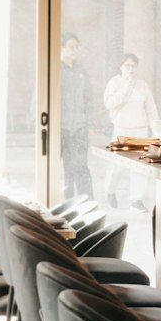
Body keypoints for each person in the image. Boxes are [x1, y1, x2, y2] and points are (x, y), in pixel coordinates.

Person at [103, 52, 160, 209]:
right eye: (127, 65)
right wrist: (126, 88)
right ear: (121, 67)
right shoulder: (114, 83)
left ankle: (136, 199)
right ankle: (110, 191)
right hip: (121, 129)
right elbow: (109, 103)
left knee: (140, 165)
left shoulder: (142, 85)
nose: (130, 69)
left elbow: (151, 110)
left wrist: (155, 131)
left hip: (140, 130)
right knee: (117, 166)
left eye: (134, 66)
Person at [58, 33, 96, 200]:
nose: (75, 51)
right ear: (61, 48)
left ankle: (88, 205)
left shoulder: (81, 71)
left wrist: (90, 126)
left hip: (80, 128)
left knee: (81, 167)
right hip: (61, 128)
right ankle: (66, 205)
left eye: (76, 47)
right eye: (71, 47)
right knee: (65, 170)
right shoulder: (54, 70)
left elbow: (89, 100)